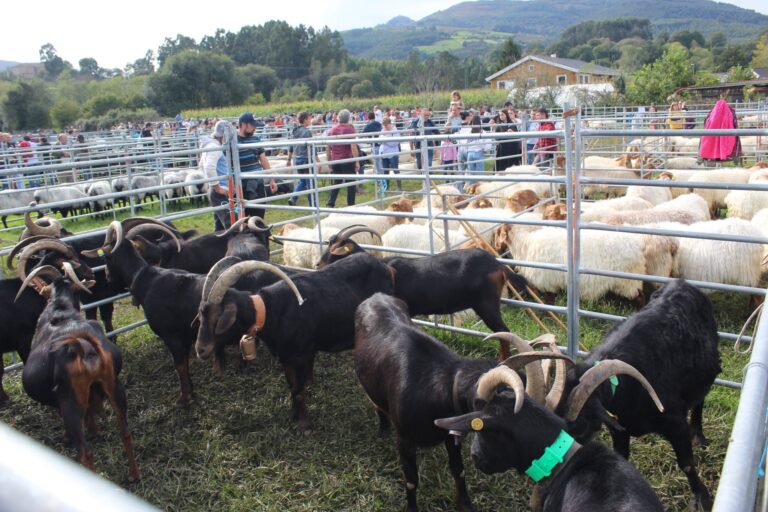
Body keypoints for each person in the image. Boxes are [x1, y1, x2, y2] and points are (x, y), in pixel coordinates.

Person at [237, 112, 277, 220]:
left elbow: (263, 160)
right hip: (241, 187)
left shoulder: (256, 140)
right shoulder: (232, 141)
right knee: (242, 220)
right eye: (252, 125)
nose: (255, 128)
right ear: (244, 124)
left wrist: (271, 179)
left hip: (258, 184)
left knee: (258, 218)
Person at [325, 109, 360, 208]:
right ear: (348, 118)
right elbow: (353, 146)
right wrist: (356, 161)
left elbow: (327, 147)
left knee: (336, 183)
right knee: (351, 183)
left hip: (335, 160)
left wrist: (329, 161)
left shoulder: (332, 130)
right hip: (347, 160)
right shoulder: (349, 129)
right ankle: (351, 204)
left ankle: (330, 203)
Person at [203, 120, 233, 231]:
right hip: (220, 191)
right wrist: (217, 187)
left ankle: (219, 247)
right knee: (230, 225)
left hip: (218, 189)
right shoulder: (214, 147)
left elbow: (203, 165)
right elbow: (209, 167)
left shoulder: (211, 144)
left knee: (220, 226)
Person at [287, 111, 319, 207]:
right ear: (305, 120)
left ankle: (293, 197)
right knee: (310, 183)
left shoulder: (294, 131)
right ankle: (313, 205)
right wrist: (317, 159)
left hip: (297, 160)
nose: (310, 120)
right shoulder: (307, 132)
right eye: (309, 119)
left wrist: (289, 160)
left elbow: (291, 147)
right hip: (306, 159)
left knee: (303, 181)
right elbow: (312, 147)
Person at [699, 98, 741, 164]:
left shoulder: (711, 113)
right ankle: (730, 156)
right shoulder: (731, 113)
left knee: (709, 141)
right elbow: (735, 124)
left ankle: (708, 157)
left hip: (712, 133)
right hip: (727, 133)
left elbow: (706, 122)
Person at [378, 117, 402, 192]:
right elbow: (378, 141)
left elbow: (395, 142)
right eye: (384, 125)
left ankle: (399, 187)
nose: (385, 127)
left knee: (395, 170)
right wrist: (384, 140)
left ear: (389, 123)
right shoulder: (383, 130)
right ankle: (386, 187)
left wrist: (385, 141)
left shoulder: (394, 130)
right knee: (385, 171)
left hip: (393, 153)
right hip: (384, 153)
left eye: (386, 125)